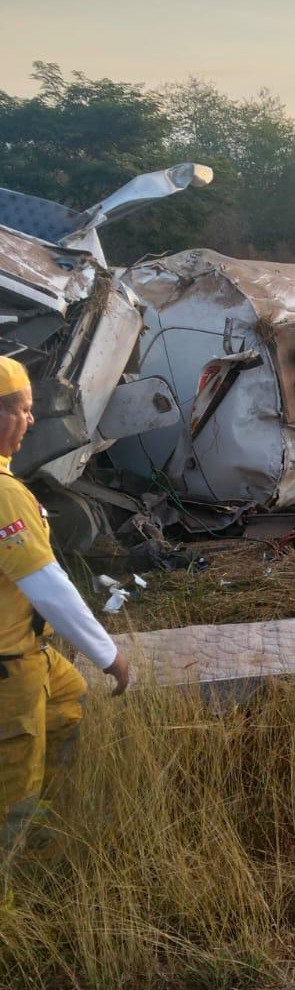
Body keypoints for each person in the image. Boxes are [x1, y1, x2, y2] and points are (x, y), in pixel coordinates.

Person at [0, 357, 130, 852]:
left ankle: (44, 833)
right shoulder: (5, 496)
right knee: (13, 793)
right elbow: (49, 587)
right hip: (9, 667)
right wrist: (109, 656)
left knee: (69, 702)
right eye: (25, 410)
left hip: (34, 653)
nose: (31, 422)